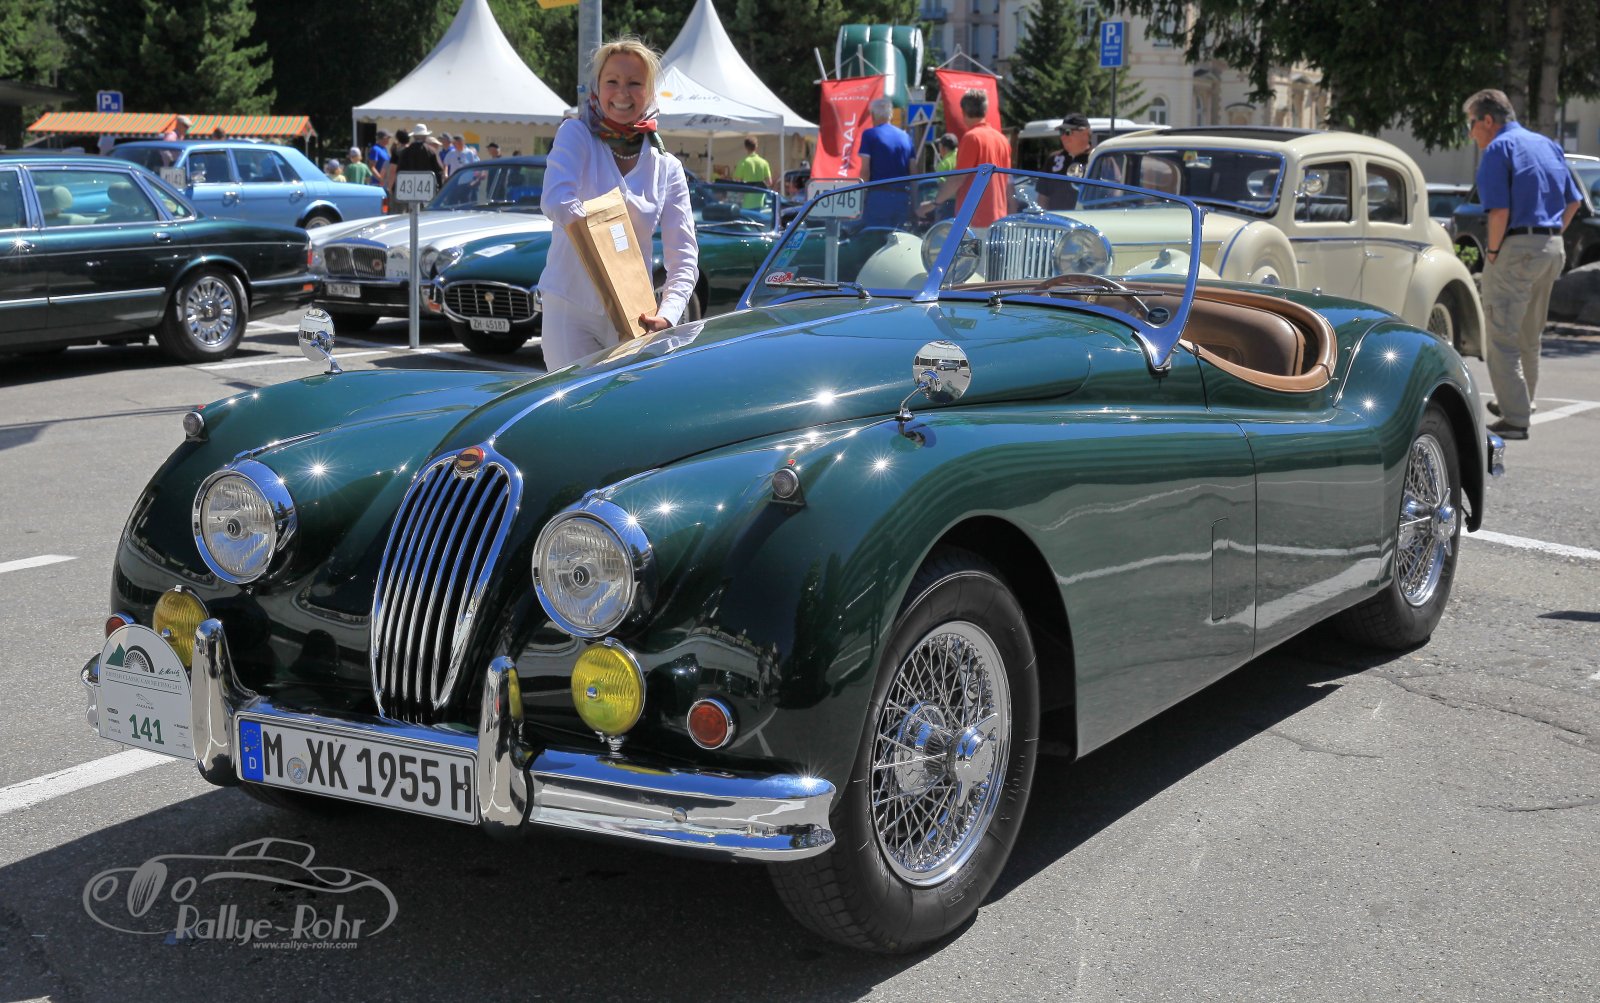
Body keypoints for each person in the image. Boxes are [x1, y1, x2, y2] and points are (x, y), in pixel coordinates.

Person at [539, 36, 697, 370]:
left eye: (634, 83)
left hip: (634, 316)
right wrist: (602, 232)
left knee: (626, 404)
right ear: (597, 88)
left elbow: (684, 257)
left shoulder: (667, 167)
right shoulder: (576, 134)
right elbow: (555, 200)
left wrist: (668, 314)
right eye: (612, 81)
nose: (622, 93)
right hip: (571, 308)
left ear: (650, 92)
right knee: (573, 402)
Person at [1464, 88, 1582, 440]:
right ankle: (1521, 402)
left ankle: (1515, 418)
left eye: (1471, 123)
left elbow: (1499, 211)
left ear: (1488, 120)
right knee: (1530, 334)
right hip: (1552, 247)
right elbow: (1574, 202)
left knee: (1501, 336)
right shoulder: (1547, 144)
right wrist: (1548, 236)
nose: (1470, 133)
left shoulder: (1498, 148)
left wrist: (1493, 253)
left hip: (1516, 249)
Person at [926, 89, 1011, 227]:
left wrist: (934, 203)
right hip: (999, 219)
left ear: (963, 112)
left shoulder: (971, 138)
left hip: (974, 219)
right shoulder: (1002, 140)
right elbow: (1008, 182)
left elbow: (958, 179)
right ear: (985, 110)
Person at [857, 96, 914, 226]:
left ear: (872, 115)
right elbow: (914, 171)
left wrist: (862, 197)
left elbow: (865, 171)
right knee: (900, 235)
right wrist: (915, 203)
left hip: (878, 196)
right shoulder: (905, 137)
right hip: (902, 197)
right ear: (891, 115)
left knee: (876, 235)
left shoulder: (870, 135)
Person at [1041, 112, 1093, 210]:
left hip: (1087, 218)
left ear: (1085, 133)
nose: (1063, 137)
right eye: (1061, 132)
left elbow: (1112, 195)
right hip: (1056, 218)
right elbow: (1042, 198)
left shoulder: (1099, 159)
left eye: (1068, 132)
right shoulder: (1053, 159)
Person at [388, 124, 445, 194]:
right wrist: (440, 189)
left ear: (414, 136)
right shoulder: (431, 151)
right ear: (425, 136)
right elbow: (439, 171)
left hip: (408, 190)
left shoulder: (405, 152)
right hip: (427, 190)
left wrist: (394, 188)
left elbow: (399, 171)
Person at [732, 136, 772, 209]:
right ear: (756, 146)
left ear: (745, 147)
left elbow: (737, 181)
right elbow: (769, 182)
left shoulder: (743, 162)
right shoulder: (764, 162)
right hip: (760, 203)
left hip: (746, 203)